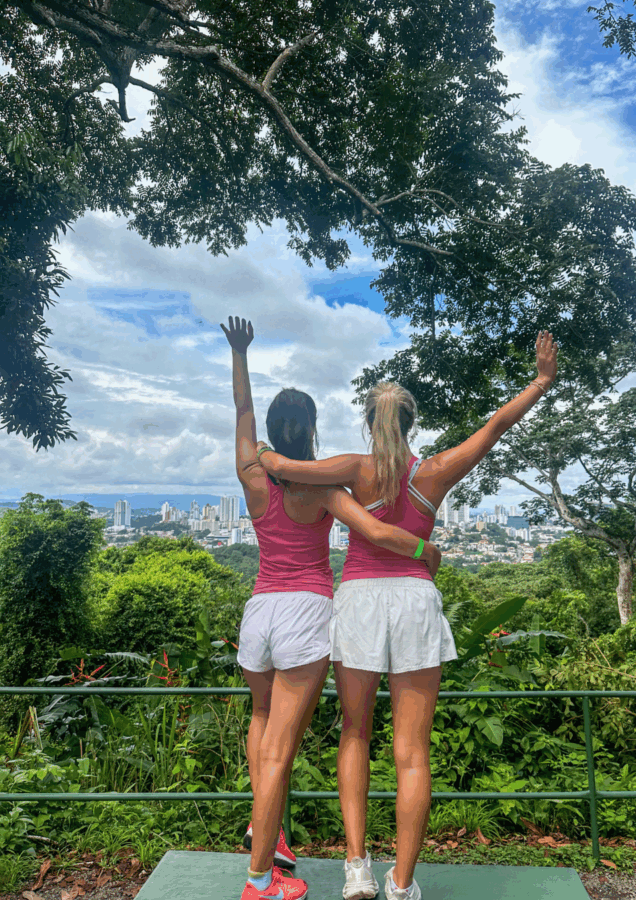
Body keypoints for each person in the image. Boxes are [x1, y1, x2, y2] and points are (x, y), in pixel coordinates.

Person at [256, 331, 559, 900]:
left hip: (360, 601)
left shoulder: (351, 468)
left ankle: (356, 868)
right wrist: (540, 382)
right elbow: (495, 427)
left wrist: (269, 447)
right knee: (412, 753)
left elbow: (279, 466)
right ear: (410, 424)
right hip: (415, 601)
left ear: (369, 423)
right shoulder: (436, 470)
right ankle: (401, 882)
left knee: (355, 732)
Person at [221, 316, 442, 900]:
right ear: (313, 430)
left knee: (261, 719)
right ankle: (260, 877)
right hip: (305, 611)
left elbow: (242, 410)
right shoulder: (323, 488)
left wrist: (240, 353)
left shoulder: (251, 472)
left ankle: (267, 830)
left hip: (259, 612)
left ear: (273, 430)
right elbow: (377, 531)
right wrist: (425, 550)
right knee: (281, 750)